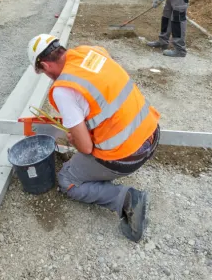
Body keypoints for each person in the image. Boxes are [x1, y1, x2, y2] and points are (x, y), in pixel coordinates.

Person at [27, 33, 160, 241]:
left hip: (128, 155)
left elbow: (86, 148)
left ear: (45, 65)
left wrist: (76, 138)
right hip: (151, 134)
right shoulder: (90, 51)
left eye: (42, 72)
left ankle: (126, 199)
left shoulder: (64, 90)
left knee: (67, 180)